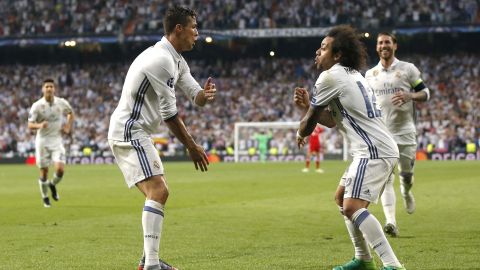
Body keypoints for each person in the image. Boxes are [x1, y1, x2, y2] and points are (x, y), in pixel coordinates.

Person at [108, 5, 216, 270]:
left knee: (158, 192)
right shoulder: (161, 60)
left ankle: (149, 261)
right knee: (159, 190)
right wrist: (191, 146)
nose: (197, 34)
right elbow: (170, 114)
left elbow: (195, 93)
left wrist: (204, 95)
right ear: (178, 29)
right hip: (129, 130)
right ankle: (152, 265)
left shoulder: (175, 59)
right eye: (194, 27)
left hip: (137, 131)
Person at [294, 25, 406, 270]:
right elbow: (332, 120)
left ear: (337, 55)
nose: (317, 51)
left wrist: (301, 130)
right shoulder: (354, 74)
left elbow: (311, 121)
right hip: (375, 149)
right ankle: (363, 259)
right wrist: (307, 111)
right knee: (340, 198)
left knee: (352, 206)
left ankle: (392, 264)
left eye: (324, 48)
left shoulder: (329, 76)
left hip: (373, 150)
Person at [365, 32, 430, 237]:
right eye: (380, 43)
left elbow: (425, 93)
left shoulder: (407, 69)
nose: (384, 45)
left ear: (395, 46)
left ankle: (407, 191)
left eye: (387, 42)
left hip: (405, 131)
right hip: (382, 135)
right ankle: (391, 222)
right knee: (385, 179)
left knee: (406, 174)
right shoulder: (369, 75)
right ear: (376, 48)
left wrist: (410, 95)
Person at [28, 78, 74, 208]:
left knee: (60, 169)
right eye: (47, 86)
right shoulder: (37, 106)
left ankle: (52, 184)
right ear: (43, 89)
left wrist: (68, 127)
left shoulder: (61, 103)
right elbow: (30, 125)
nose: (49, 88)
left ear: (54, 89)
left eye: (51, 86)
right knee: (44, 172)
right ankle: (45, 197)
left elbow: (70, 113)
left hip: (56, 140)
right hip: (42, 141)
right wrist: (39, 125)